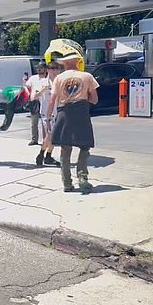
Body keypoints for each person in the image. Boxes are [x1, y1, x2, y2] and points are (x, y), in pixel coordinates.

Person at [45, 39, 98, 194]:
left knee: (65, 149)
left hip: (63, 113)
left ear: (64, 63)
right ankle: (83, 178)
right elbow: (95, 99)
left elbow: (52, 100)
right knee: (84, 146)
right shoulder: (87, 76)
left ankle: (67, 183)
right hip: (81, 113)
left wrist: (48, 119)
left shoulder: (59, 79)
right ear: (77, 61)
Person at [35, 61, 60, 167]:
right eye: (52, 69)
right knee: (49, 135)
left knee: (54, 136)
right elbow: (34, 97)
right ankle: (41, 154)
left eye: (56, 69)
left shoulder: (60, 82)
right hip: (46, 113)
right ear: (48, 70)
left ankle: (48, 155)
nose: (54, 71)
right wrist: (42, 91)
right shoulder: (42, 82)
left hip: (58, 112)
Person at [26, 67, 44, 146]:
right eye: (38, 68)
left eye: (41, 68)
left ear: (45, 69)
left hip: (44, 102)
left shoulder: (47, 79)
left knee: (45, 122)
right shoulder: (33, 78)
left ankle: (46, 140)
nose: (39, 69)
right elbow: (27, 86)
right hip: (34, 102)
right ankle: (34, 139)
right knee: (34, 122)